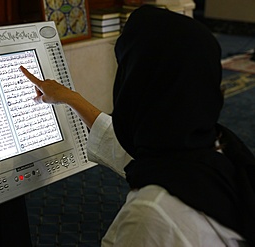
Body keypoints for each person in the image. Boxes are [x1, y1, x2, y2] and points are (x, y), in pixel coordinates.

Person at [20, 5, 255, 247]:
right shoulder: (220, 149)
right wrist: (71, 99)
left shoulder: (151, 214)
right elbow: (136, 154)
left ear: (137, 85)